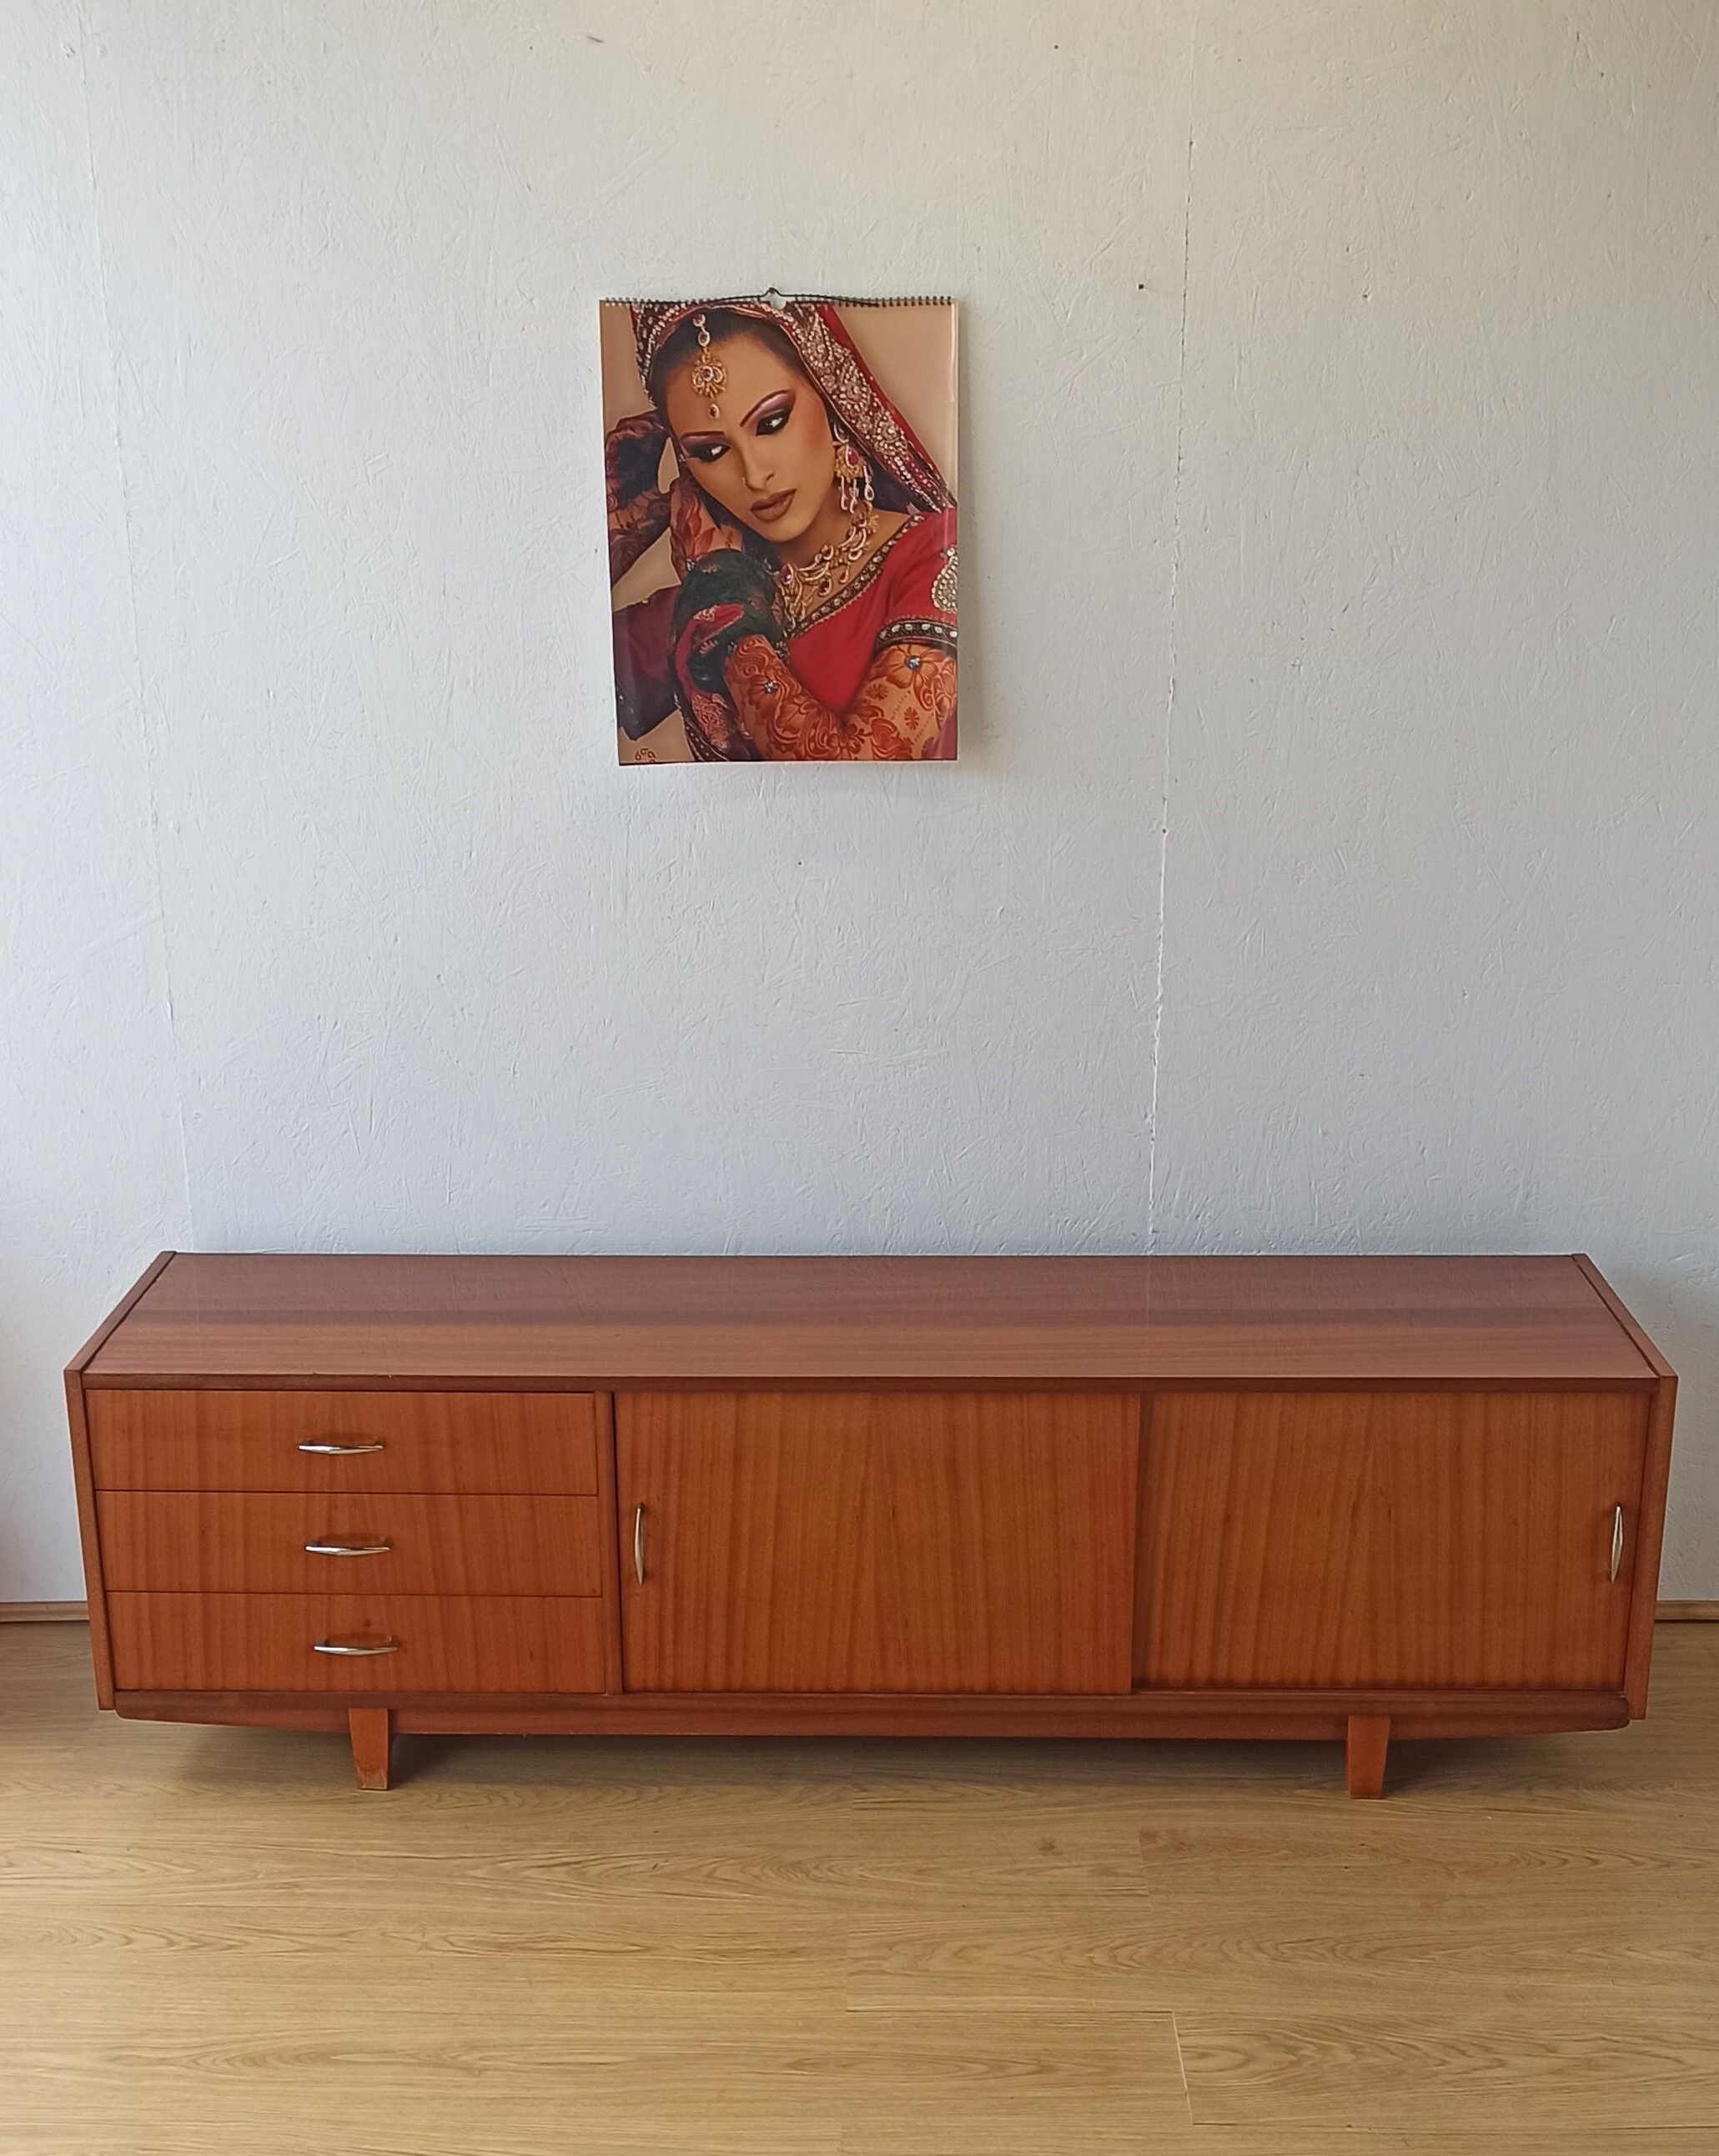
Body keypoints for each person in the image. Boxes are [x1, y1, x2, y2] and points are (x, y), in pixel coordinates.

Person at [607, 298, 957, 761]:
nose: (754, 475)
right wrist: (617, 525)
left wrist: (726, 621)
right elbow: (524, 683)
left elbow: (862, 772)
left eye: (771, 423)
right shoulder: (705, 599)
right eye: (711, 453)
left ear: (831, 395)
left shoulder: (934, 553)